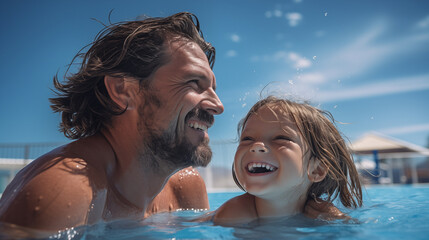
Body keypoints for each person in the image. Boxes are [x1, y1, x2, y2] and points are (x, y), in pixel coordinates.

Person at [0, 12, 223, 232]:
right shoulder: (66, 190)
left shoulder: (185, 188)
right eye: (193, 82)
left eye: (213, 88)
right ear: (123, 90)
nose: (218, 105)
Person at [212, 96, 363, 225]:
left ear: (317, 170)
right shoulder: (236, 214)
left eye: (281, 138)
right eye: (247, 139)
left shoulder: (323, 214)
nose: (256, 146)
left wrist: (339, 221)